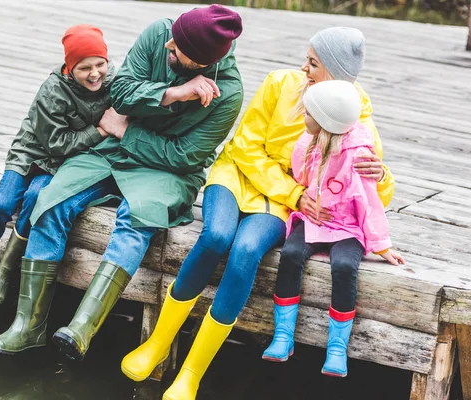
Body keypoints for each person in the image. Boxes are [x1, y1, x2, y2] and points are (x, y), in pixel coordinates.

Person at [121, 27, 394, 400]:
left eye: (313, 63)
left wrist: (382, 176)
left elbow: (369, 189)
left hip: (282, 203)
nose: (303, 67)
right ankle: (157, 343)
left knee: (246, 251)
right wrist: (296, 191)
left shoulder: (355, 111)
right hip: (236, 176)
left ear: (334, 70)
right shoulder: (279, 82)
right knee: (216, 235)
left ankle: (192, 372)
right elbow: (246, 146)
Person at [0, 4, 244, 360]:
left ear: (199, 62)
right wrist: (172, 93)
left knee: (137, 218)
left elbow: (184, 157)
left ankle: (82, 328)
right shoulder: (158, 34)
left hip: (167, 173)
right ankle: (28, 326)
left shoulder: (228, 94)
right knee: (52, 199)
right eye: (172, 38)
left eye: (177, 48)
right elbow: (120, 92)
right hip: (112, 150)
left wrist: (126, 130)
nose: (168, 45)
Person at [0, 25, 114, 315]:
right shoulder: (53, 90)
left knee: (36, 200)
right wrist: (100, 130)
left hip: (62, 163)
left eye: (100, 64)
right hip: (33, 152)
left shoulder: (112, 83)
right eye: (85, 67)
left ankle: (5, 273)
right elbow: (57, 142)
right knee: (2, 204)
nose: (95, 73)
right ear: (69, 68)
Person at [262, 80, 404, 377]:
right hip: (316, 217)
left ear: (325, 120)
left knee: (343, 265)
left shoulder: (358, 153)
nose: (304, 117)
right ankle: (283, 336)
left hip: (349, 224)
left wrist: (382, 244)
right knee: (290, 254)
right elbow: (301, 176)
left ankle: (337, 348)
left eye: (309, 114)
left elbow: (369, 202)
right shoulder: (306, 142)